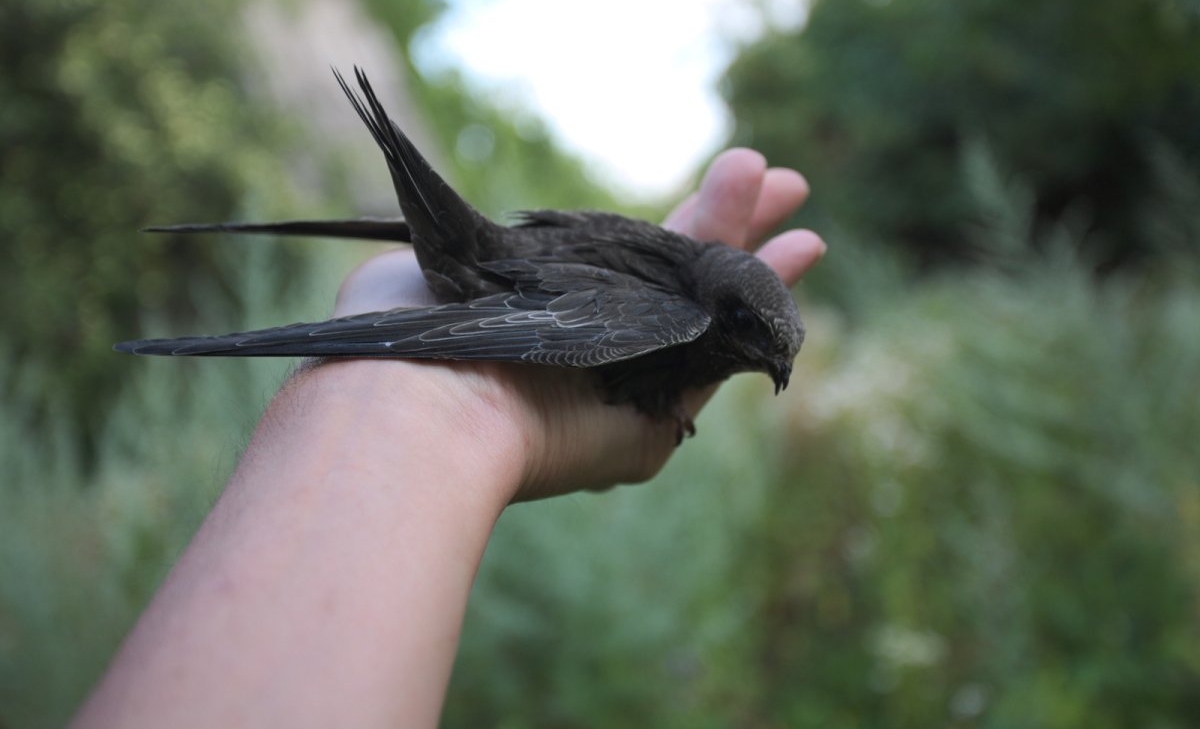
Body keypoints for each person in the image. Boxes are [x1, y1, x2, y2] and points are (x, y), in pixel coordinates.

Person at [72, 148, 826, 728]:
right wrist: (415, 403)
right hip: (485, 275)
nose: (770, 364)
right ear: (719, 305)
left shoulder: (691, 293)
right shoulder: (679, 312)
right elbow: (535, 306)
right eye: (752, 336)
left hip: (503, 261)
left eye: (773, 352)